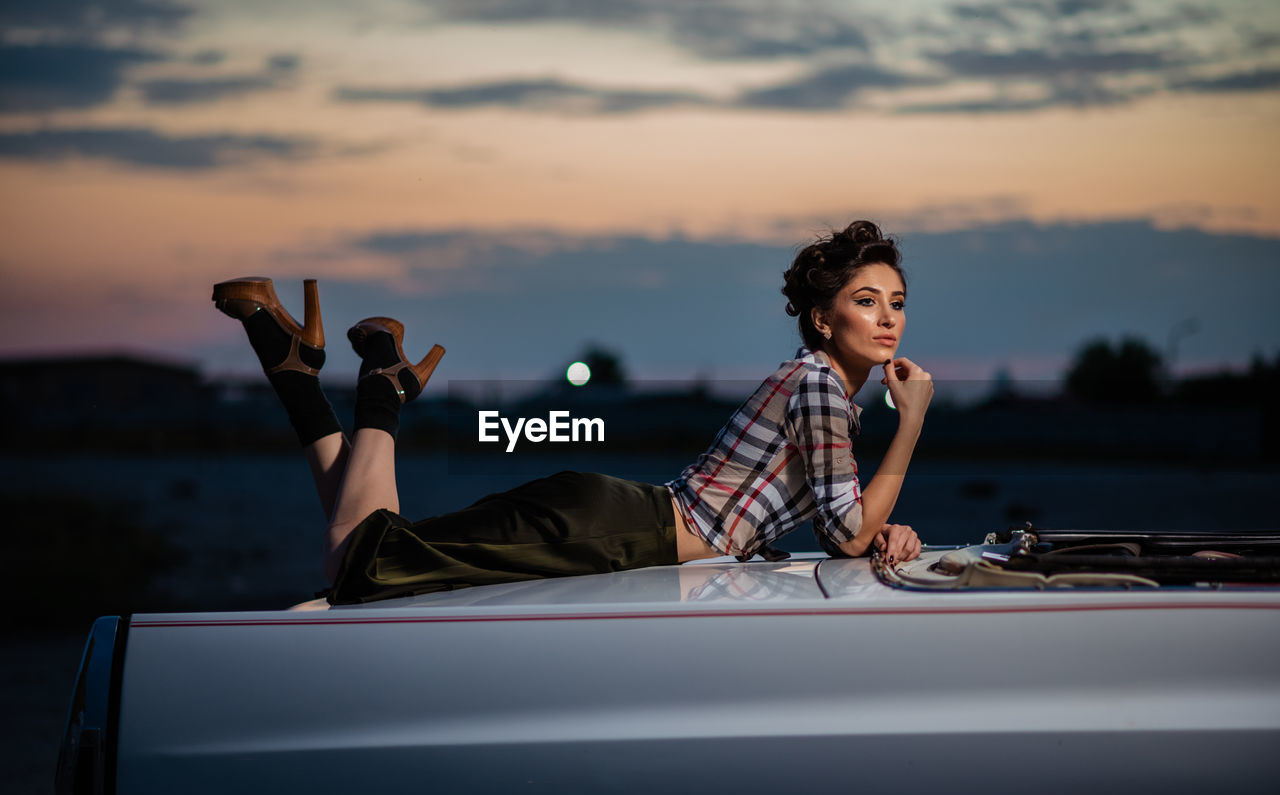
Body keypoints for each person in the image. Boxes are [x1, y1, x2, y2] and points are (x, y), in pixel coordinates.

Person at [211, 220, 932, 605]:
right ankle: (383, 386)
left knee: (373, 553)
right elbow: (843, 536)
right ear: (822, 319)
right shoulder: (819, 387)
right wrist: (913, 422)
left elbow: (844, 521)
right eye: (865, 301)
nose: (886, 318)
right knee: (362, 566)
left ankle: (293, 372)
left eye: (895, 302)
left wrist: (884, 527)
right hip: (615, 531)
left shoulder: (824, 392)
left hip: (622, 525)